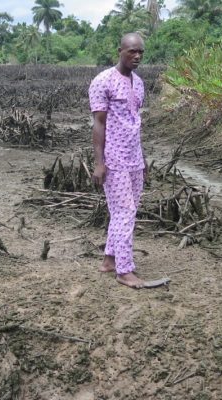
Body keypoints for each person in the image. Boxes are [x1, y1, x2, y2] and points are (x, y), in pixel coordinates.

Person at [88, 33, 147, 289]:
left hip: (135, 159)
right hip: (114, 160)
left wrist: (142, 161)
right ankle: (125, 270)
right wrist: (99, 163)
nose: (136, 56)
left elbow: (133, 123)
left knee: (123, 212)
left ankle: (110, 260)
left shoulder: (140, 83)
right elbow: (98, 124)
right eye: (132, 51)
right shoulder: (103, 81)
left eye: (141, 52)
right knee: (125, 213)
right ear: (120, 51)